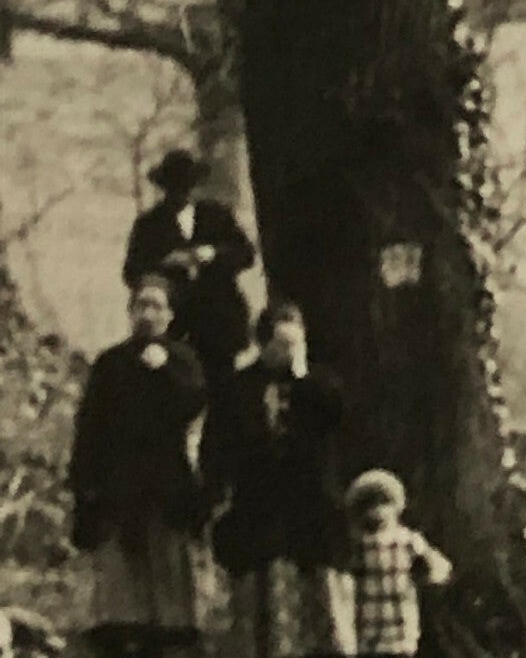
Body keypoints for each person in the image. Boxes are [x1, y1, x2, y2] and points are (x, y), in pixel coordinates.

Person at [68, 274, 210, 658]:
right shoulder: (111, 363)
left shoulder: (184, 361)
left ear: (170, 316)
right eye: (141, 306)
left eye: (156, 306)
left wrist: (164, 369)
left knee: (169, 588)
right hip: (119, 488)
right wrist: (84, 486)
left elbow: (194, 405)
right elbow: (90, 427)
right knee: (121, 592)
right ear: (130, 312)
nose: (148, 314)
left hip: (167, 488)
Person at [209, 303, 354, 658]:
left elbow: (338, 421)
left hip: (313, 515)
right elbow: (218, 447)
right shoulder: (240, 388)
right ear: (262, 344)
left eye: (294, 343)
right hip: (260, 513)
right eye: (279, 344)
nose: (287, 353)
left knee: (324, 614)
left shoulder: (321, 387)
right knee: (265, 617)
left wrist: (303, 374)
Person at [123, 148, 257, 396]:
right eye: (175, 187)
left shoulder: (217, 216)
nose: (181, 194)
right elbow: (132, 272)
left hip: (218, 324)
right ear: (165, 188)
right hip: (173, 326)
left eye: (186, 187)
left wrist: (213, 254)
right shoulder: (150, 224)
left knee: (222, 392)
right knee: (171, 390)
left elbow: (246, 255)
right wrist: (166, 266)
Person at [343, 472, 452, 658]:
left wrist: (426, 572)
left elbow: (439, 569)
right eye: (371, 506)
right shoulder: (361, 544)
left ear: (396, 507)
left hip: (392, 630)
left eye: (383, 504)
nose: (378, 511)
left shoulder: (406, 540)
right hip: (375, 630)